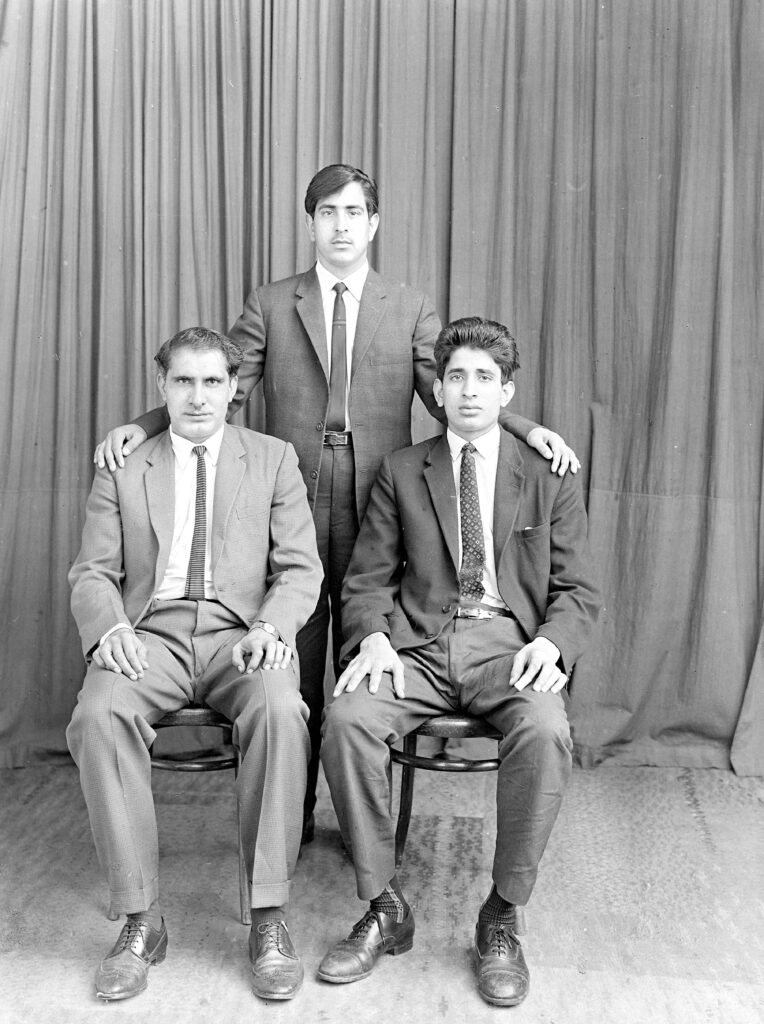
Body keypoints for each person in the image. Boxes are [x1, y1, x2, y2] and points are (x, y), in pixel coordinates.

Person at [92, 165, 580, 839]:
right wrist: (144, 425)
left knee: (366, 651)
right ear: (312, 223)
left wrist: (527, 429)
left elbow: (455, 394)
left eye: (355, 212)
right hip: (288, 501)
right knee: (290, 650)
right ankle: (289, 815)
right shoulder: (271, 304)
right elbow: (215, 387)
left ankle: (359, 816)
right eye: (328, 213)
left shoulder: (407, 306)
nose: (342, 225)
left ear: (374, 223)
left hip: (379, 503)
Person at [318, 317, 601, 1007]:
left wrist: (550, 644)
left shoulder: (546, 472)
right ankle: (385, 904)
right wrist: (373, 638)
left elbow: (579, 590)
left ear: (507, 392)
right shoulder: (402, 471)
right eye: (455, 377)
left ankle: (501, 913)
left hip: (507, 646)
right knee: (348, 719)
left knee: (545, 729)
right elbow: (366, 580)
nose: (469, 391)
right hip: (415, 646)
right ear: (436, 391)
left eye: (484, 378)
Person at [67, 328, 323, 1003]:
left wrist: (272, 627)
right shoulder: (125, 465)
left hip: (241, 636)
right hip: (148, 635)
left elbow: (301, 569)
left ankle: (267, 918)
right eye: (184, 381)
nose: (199, 395)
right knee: (97, 714)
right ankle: (139, 919)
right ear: (162, 387)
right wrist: (111, 629)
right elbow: (92, 573)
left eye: (213, 382)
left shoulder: (273, 459)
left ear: (234, 388)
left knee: (278, 710)